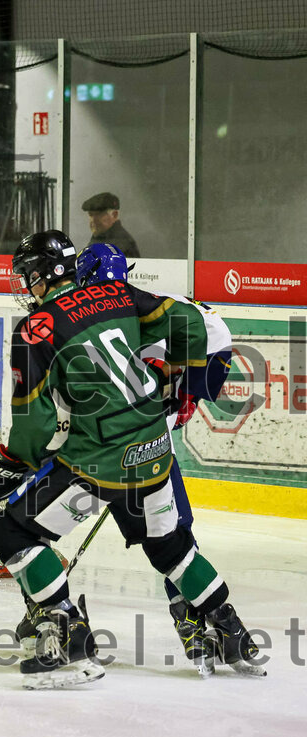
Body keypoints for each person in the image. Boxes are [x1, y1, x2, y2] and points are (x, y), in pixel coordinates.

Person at [0, 229, 263, 689]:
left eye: (27, 277)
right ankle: (233, 632)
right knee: (171, 547)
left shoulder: (37, 329)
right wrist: (180, 384)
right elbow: (191, 321)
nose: (25, 287)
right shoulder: (117, 295)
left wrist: (10, 463)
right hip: (155, 450)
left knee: (10, 530)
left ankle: (69, 641)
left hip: (99, 462)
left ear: (43, 275)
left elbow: (34, 422)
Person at [74, 242, 236, 674]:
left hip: (202, 360)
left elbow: (165, 372)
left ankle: (188, 612)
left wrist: (170, 405)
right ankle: (194, 606)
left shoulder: (124, 320)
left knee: (165, 517)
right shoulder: (135, 311)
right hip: (204, 357)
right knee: (166, 518)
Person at [81, 192, 141, 259]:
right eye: (91, 215)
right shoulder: (100, 237)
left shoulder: (122, 244)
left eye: (99, 214)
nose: (93, 220)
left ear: (114, 215)